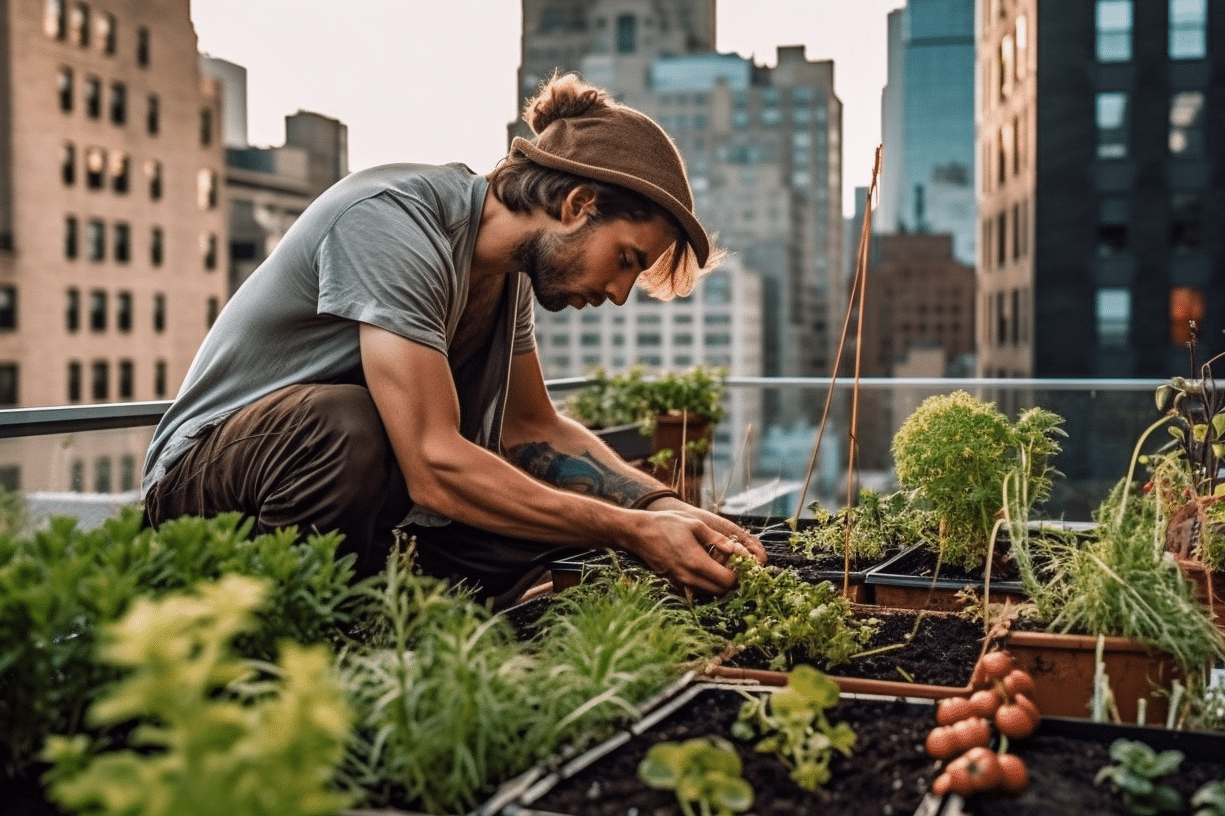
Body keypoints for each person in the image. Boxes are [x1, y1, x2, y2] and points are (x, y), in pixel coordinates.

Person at [141, 73, 764, 605]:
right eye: (626, 258)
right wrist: (627, 529)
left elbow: (532, 429)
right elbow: (435, 466)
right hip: (209, 489)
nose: (620, 291)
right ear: (577, 204)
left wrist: (657, 508)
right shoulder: (393, 222)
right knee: (346, 424)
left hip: (363, 495)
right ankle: (303, 653)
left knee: (556, 519)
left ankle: (409, 637)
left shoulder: (504, 276)